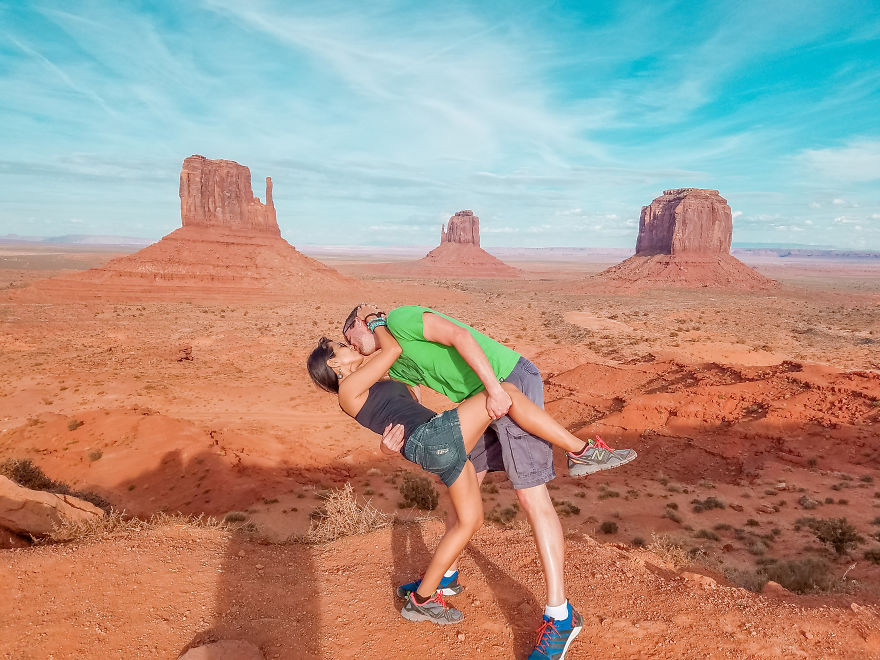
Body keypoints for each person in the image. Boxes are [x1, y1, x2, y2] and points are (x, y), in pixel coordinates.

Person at [342, 304, 637, 660]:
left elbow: (460, 336)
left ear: (360, 322)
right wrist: (391, 441)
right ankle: (445, 577)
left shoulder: (401, 319)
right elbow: (411, 406)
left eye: (350, 339)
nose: (354, 348)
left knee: (531, 497)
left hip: (505, 382)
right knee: (466, 486)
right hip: (477, 403)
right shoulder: (393, 359)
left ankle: (561, 616)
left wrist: (497, 390)